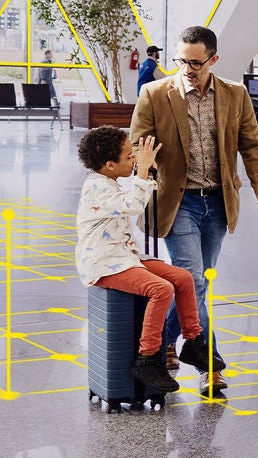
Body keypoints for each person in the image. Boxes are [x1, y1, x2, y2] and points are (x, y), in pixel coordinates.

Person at [128, 25, 258, 395]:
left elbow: (252, 146)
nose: (187, 68)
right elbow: (137, 146)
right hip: (179, 202)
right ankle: (209, 364)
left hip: (219, 202)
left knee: (200, 283)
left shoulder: (234, 94)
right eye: (181, 60)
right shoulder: (155, 93)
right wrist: (141, 176)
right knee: (192, 280)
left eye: (195, 62)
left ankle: (163, 344)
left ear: (213, 59)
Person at [75, 125, 217, 397]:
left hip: (125, 256)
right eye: (129, 156)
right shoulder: (95, 185)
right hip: (104, 263)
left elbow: (130, 197)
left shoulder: (109, 181)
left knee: (183, 278)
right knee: (160, 289)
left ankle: (193, 342)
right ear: (108, 164)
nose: (134, 160)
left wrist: (143, 171)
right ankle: (148, 357)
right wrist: (142, 173)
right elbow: (130, 205)